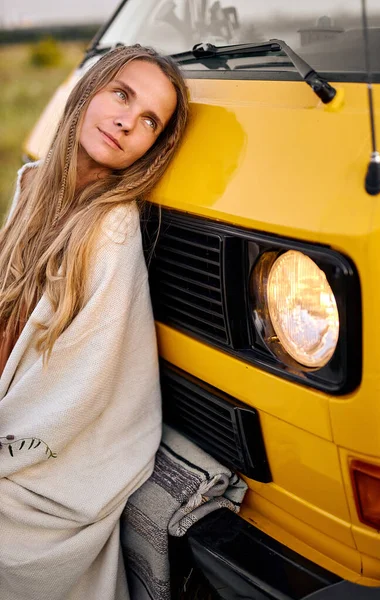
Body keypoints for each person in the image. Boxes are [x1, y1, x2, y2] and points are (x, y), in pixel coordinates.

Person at [0, 45, 189, 600]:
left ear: (153, 147)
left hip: (49, 452)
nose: (129, 120)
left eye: (150, 120)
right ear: (90, 89)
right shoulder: (33, 186)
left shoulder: (110, 228)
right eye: (122, 94)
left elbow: (83, 384)